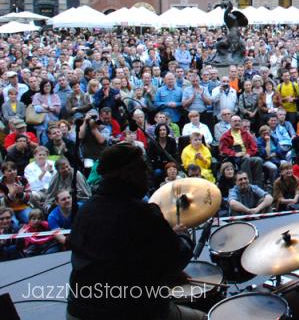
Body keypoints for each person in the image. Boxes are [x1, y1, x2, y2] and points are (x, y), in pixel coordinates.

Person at [67, 143, 204, 320]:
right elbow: (175, 260)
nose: (147, 173)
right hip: (130, 310)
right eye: (142, 167)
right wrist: (181, 235)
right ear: (126, 173)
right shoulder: (142, 213)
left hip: (79, 309)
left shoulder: (86, 210)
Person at [219, 115, 266, 187]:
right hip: (234, 158)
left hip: (246, 155)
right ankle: (248, 185)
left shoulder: (245, 133)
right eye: (235, 121)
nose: (237, 123)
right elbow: (223, 149)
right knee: (246, 159)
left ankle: (258, 185)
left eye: (239, 121)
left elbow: (254, 146)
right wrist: (234, 154)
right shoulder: (226, 136)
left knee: (258, 160)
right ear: (230, 123)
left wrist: (249, 154)